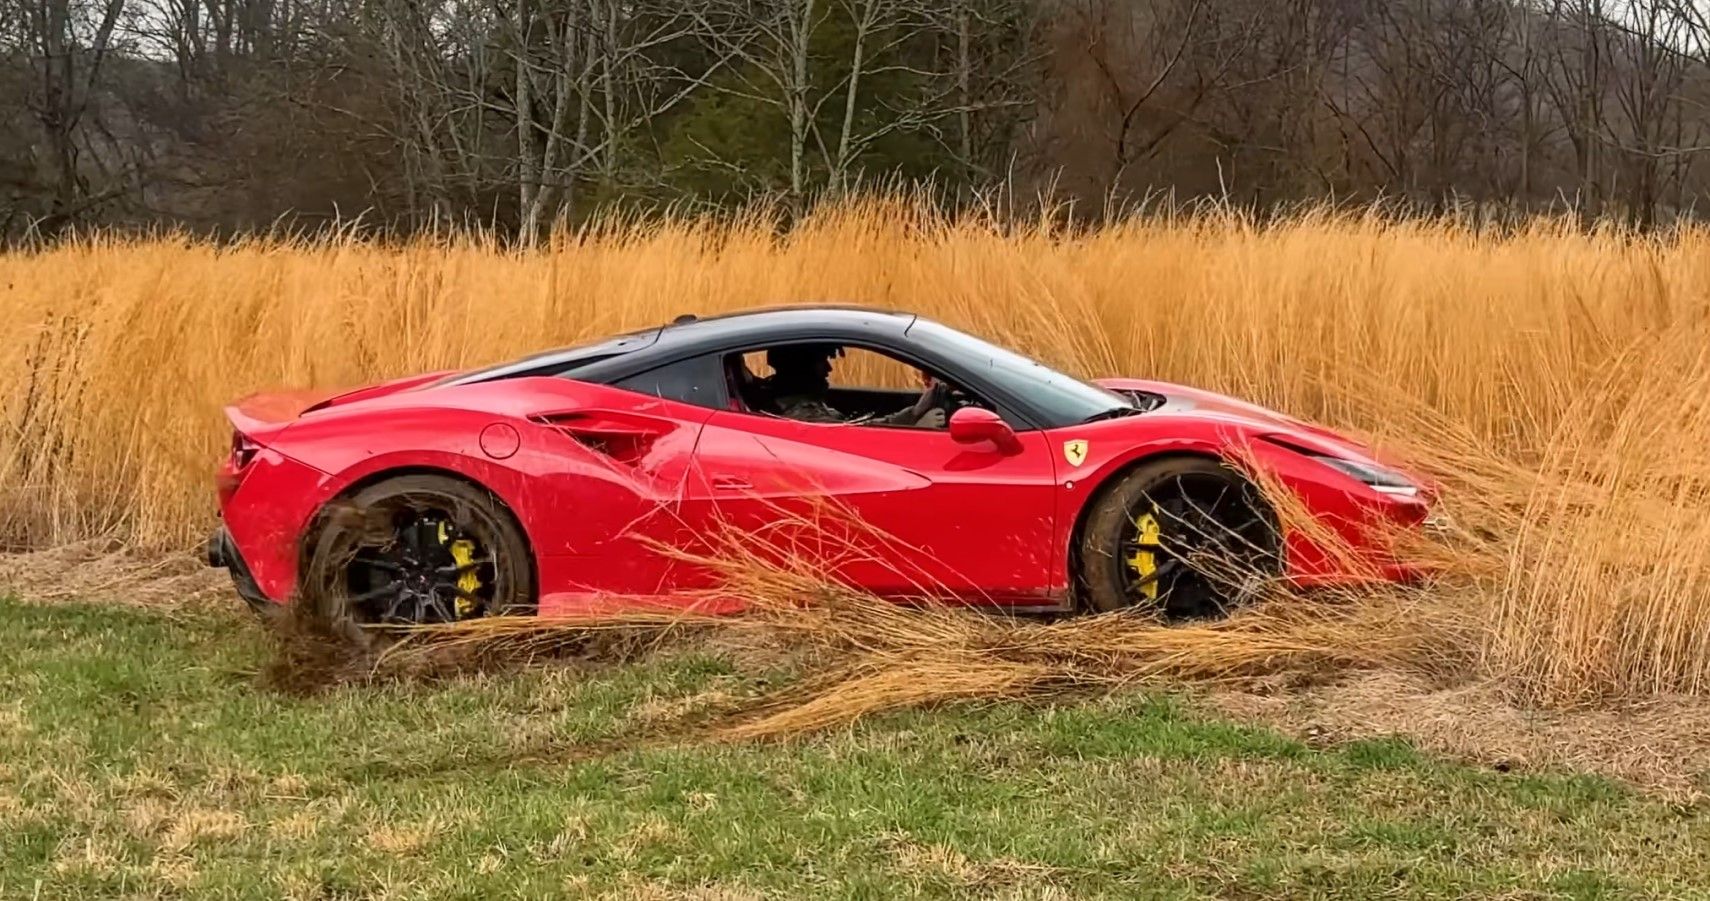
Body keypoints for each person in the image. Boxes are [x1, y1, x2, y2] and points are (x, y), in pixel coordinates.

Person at [762, 344, 948, 427]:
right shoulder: (803, 417)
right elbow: (861, 446)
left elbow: (861, 429)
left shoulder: (802, 405)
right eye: (821, 362)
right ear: (801, 367)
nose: (828, 368)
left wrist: (914, 413)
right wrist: (916, 431)